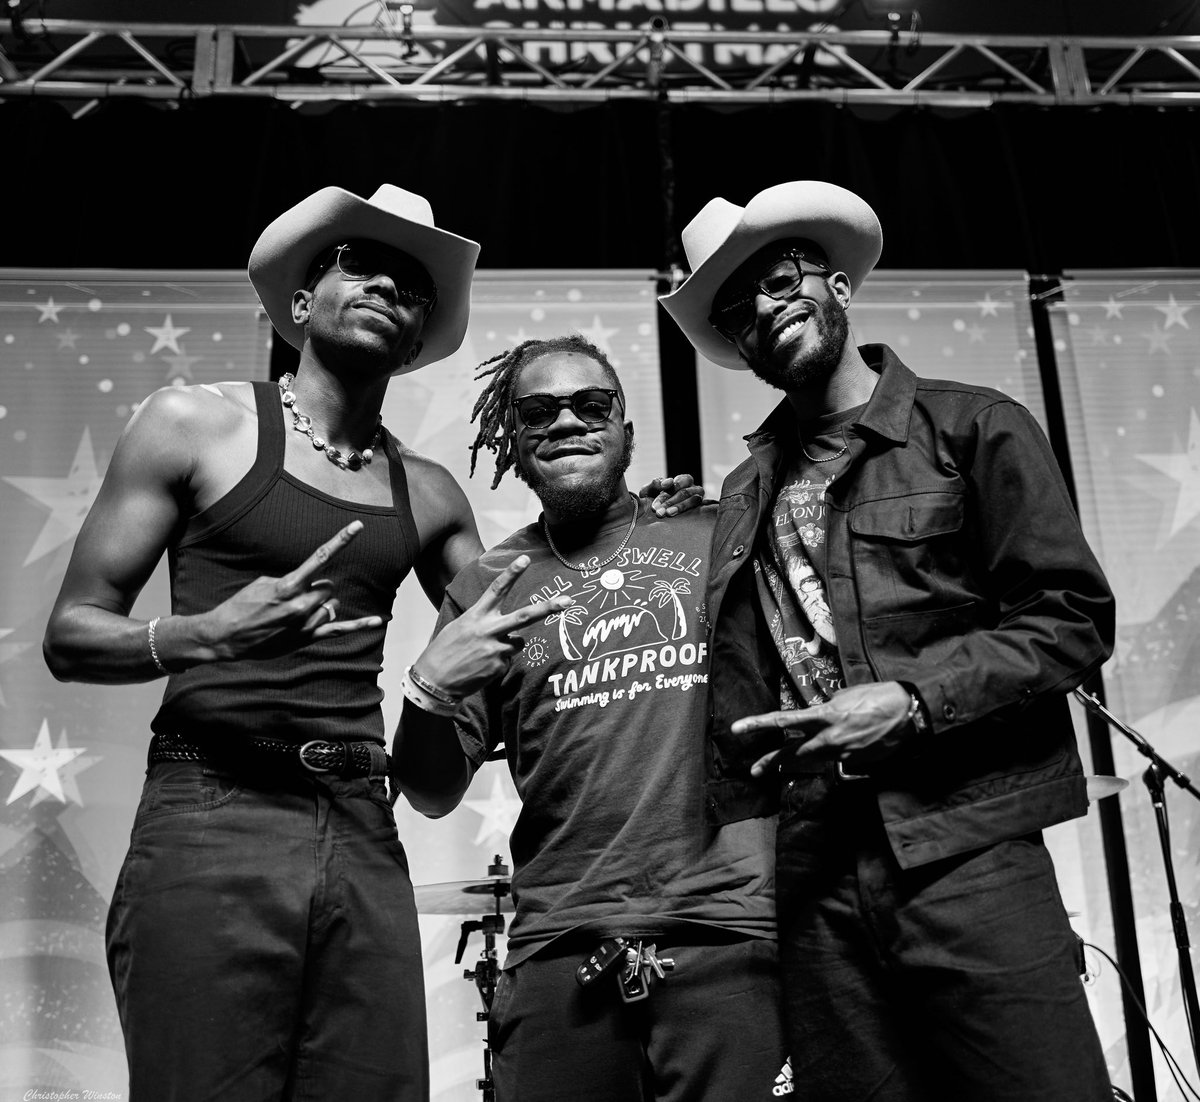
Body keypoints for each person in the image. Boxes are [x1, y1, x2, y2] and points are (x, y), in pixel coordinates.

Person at [41, 185, 697, 1102]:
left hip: (359, 819)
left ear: (421, 330)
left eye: (412, 282)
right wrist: (200, 635)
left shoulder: (428, 494)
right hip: (213, 803)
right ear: (301, 303)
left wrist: (649, 528)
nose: (388, 283)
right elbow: (71, 634)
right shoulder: (195, 425)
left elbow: (534, 602)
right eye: (361, 263)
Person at [657, 180, 1116, 1101]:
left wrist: (911, 702)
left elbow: (1072, 614)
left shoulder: (972, 424)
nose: (766, 311)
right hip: (816, 860)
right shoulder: (747, 488)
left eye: (782, 281)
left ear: (836, 284)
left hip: (963, 845)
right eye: (740, 310)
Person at [392, 334, 790, 1102]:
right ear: (512, 438)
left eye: (591, 403)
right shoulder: (487, 584)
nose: (567, 421)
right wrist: (428, 689)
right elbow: (431, 791)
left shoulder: (720, 536)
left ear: (626, 430)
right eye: (538, 410)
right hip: (557, 949)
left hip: (727, 933)